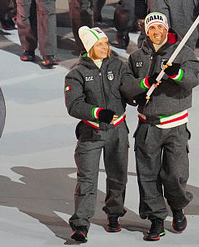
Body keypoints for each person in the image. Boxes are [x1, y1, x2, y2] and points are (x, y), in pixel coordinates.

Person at [120, 12, 199, 240]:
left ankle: (177, 207)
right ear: (147, 32)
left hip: (175, 126)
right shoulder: (137, 57)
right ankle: (156, 219)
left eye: (161, 28)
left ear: (167, 30)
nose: (157, 33)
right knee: (148, 175)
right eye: (152, 29)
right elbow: (126, 85)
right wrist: (139, 89)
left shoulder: (182, 53)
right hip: (148, 127)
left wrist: (177, 74)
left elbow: (196, 76)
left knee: (175, 174)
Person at [65, 26, 133, 242]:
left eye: (106, 43)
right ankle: (81, 225)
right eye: (99, 45)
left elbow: (129, 88)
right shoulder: (76, 74)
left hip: (118, 131)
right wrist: (98, 113)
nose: (105, 48)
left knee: (118, 176)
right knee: (86, 180)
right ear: (89, 47)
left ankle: (114, 214)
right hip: (91, 133)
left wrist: (144, 87)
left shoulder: (118, 66)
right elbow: (74, 105)